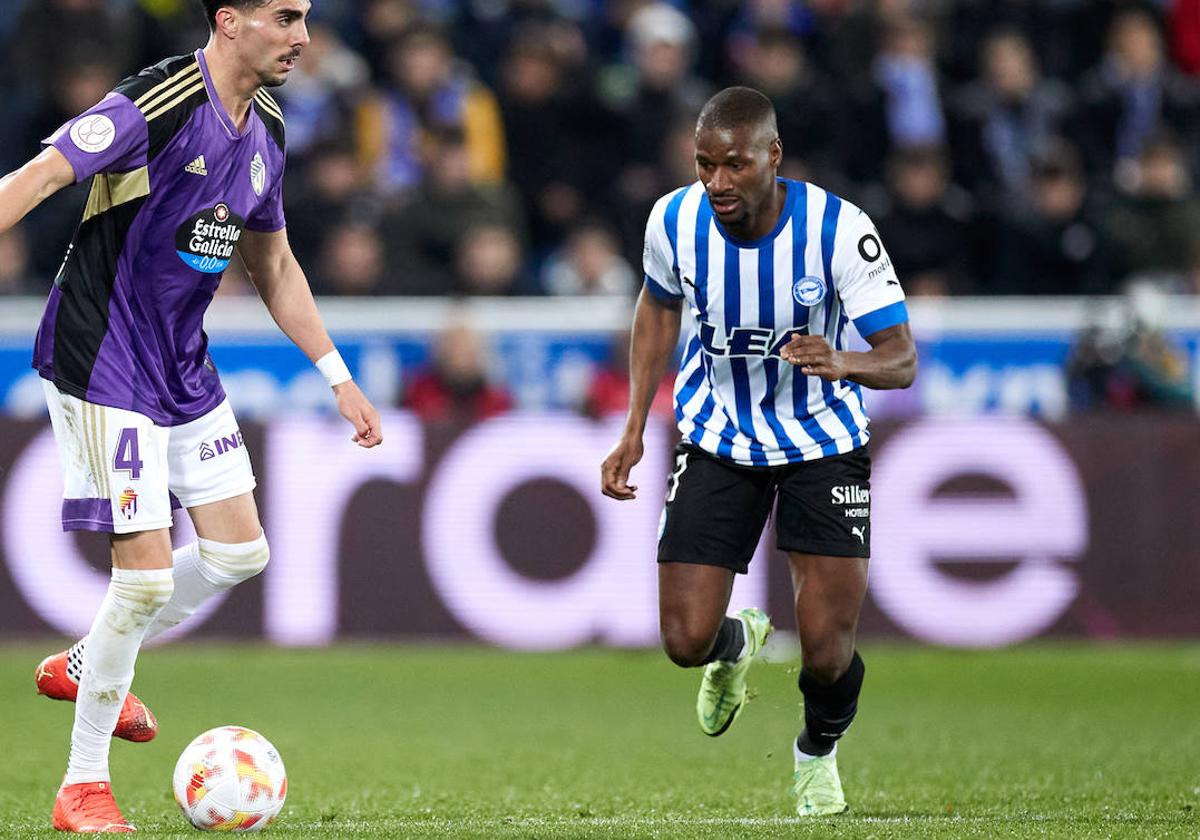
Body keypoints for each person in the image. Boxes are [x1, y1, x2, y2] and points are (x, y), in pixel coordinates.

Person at [0, 0, 383, 831]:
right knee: (142, 578)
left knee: (242, 553)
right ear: (229, 20)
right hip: (102, 354)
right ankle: (82, 787)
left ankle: (88, 658)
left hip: (178, 359)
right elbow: (34, 179)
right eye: (285, 17)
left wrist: (335, 374)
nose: (304, 38)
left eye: (307, 18)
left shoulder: (268, 128)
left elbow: (273, 262)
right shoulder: (156, 102)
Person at [600, 87, 916, 816]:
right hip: (718, 437)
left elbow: (900, 359)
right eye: (705, 165)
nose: (717, 183)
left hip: (823, 443)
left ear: (773, 156)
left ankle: (816, 751)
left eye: (734, 166)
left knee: (826, 651)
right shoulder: (674, 220)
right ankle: (735, 649)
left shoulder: (839, 230)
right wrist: (635, 425)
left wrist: (841, 360)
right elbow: (657, 308)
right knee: (684, 639)